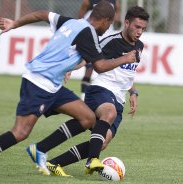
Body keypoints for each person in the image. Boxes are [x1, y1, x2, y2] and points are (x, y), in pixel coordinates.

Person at [0, 1, 137, 184]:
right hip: (38, 82)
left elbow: (42, 14)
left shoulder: (72, 22)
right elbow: (100, 66)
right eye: (109, 24)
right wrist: (125, 58)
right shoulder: (90, 33)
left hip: (54, 86)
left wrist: (14, 23)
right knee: (20, 132)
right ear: (104, 20)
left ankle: (40, 150)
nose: (108, 28)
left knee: (87, 118)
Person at [44, 6, 149, 176]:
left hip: (118, 98)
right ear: (126, 22)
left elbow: (128, 73)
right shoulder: (111, 41)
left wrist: (133, 92)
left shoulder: (139, 46)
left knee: (102, 142)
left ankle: (54, 163)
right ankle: (92, 160)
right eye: (137, 27)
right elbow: (86, 57)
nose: (140, 32)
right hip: (101, 90)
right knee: (109, 112)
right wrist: (69, 67)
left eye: (143, 29)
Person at [78, 0, 121, 100]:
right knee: (89, 67)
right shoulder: (88, 1)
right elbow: (80, 17)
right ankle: (84, 94)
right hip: (92, 38)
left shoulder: (115, 2)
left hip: (107, 39)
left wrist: (118, 23)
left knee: (106, 68)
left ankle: (108, 95)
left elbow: (117, 18)